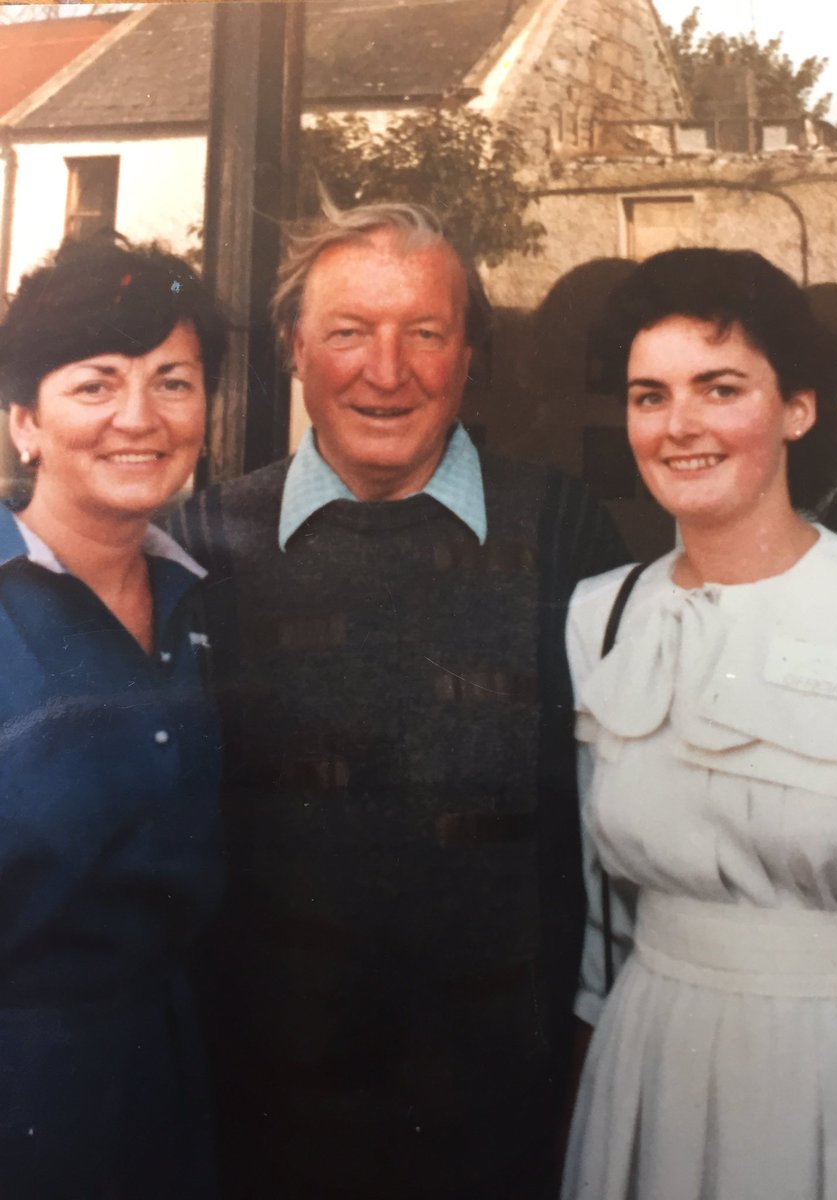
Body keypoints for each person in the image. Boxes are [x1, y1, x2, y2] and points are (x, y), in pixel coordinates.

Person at [169, 200, 628, 1200]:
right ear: (295, 349)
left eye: (425, 332)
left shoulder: (562, 528)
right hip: (270, 1115)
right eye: (349, 332)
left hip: (509, 1111)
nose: (388, 370)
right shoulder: (201, 544)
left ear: (468, 355)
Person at [563, 246, 837, 1200]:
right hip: (651, 1052)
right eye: (649, 395)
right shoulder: (602, 616)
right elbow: (600, 914)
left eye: (719, 388)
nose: (680, 427)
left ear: (796, 408)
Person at [0, 236, 227, 1198]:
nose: (139, 418)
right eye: (96, 384)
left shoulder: (203, 601)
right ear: (24, 424)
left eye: (172, 381)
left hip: (169, 1098)